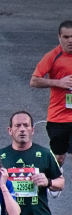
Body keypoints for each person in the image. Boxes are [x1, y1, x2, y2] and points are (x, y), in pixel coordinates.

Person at [29, 21, 72, 166]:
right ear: (59, 37)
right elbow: (34, 81)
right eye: (66, 37)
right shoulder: (52, 56)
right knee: (58, 158)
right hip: (59, 117)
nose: (70, 40)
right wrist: (59, 82)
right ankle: (53, 185)